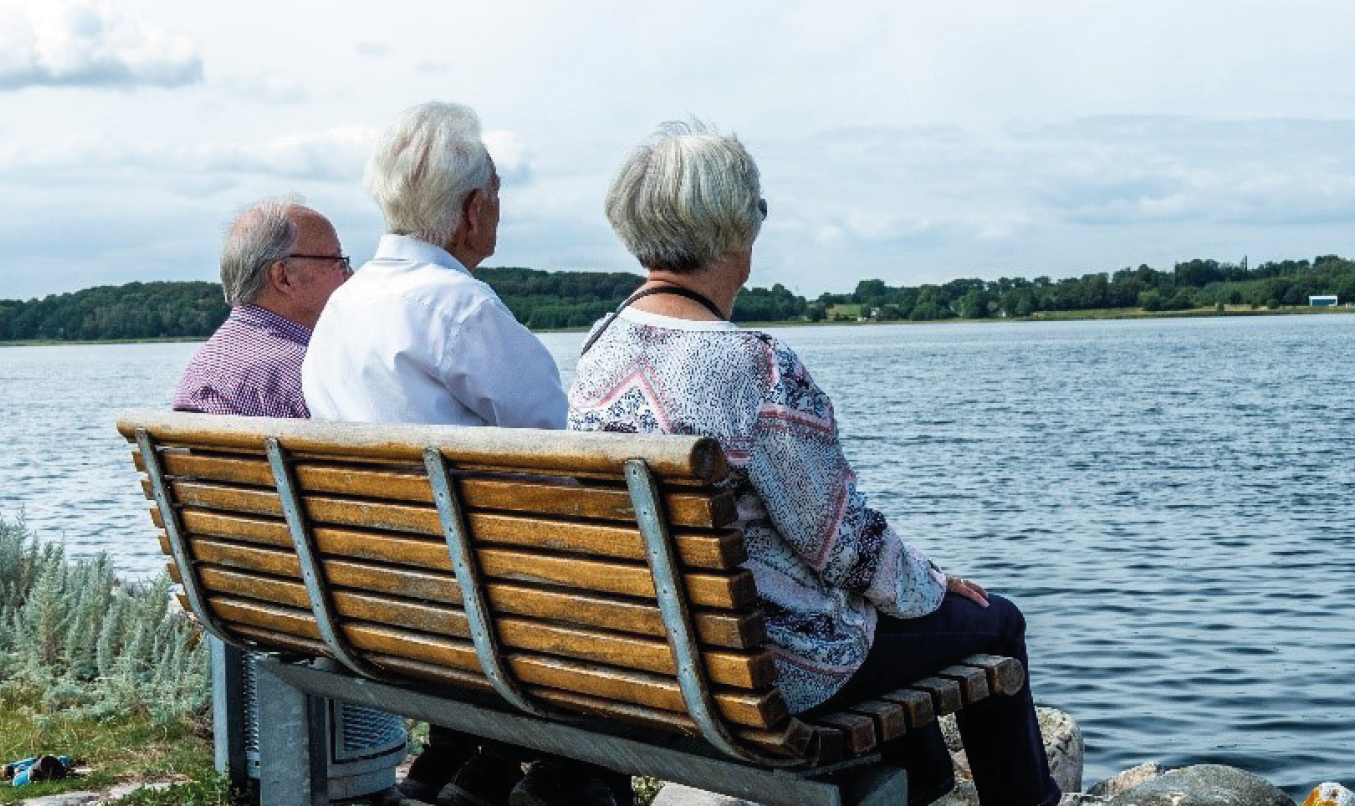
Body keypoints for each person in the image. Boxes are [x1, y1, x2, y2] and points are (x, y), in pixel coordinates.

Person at [567, 122, 1064, 806]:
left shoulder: (599, 351)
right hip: (769, 673)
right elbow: (844, 547)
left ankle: (920, 785)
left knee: (888, 615)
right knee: (993, 624)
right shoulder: (754, 366)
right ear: (736, 230)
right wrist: (931, 581)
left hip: (660, 656)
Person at [303, 102, 622, 806]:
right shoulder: (459, 308)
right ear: (475, 208)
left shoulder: (343, 308)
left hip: (375, 593)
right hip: (481, 604)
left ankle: (460, 769)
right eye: (499, 195)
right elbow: (572, 454)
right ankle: (556, 778)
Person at [173, 200, 352, 417]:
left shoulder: (202, 369)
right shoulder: (314, 375)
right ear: (283, 277)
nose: (349, 275)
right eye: (337, 261)